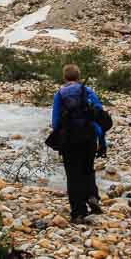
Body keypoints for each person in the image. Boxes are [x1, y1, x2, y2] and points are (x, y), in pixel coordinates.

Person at [51, 64, 106, 223]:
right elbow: (99, 115)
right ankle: (91, 195)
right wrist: (101, 140)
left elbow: (55, 122)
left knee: (73, 175)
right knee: (87, 169)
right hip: (89, 137)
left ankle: (78, 213)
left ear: (64, 77)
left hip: (69, 139)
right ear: (79, 77)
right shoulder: (88, 92)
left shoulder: (60, 94)